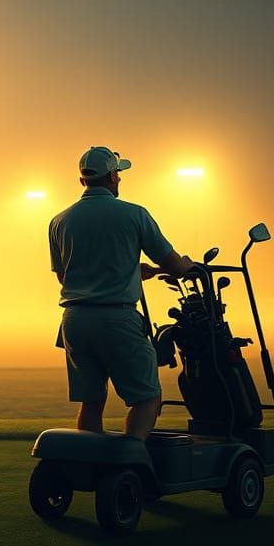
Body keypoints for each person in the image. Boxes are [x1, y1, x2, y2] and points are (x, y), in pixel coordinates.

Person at [48, 146, 194, 440]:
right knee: (147, 398)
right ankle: (130, 471)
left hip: (74, 321)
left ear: (82, 181)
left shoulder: (59, 221)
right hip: (117, 319)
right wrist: (185, 265)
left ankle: (90, 468)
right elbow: (174, 265)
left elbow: (67, 277)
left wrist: (129, 270)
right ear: (113, 177)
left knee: (92, 400)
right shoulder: (134, 215)